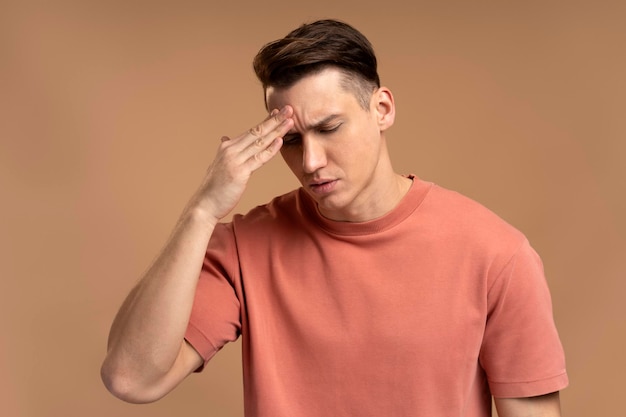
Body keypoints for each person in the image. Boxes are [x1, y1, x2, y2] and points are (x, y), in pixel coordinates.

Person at [101, 19, 568, 416]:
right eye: (291, 140)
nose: (310, 162)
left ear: (381, 109)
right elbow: (132, 379)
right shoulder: (247, 247)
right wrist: (201, 211)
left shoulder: (497, 255)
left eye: (329, 128)